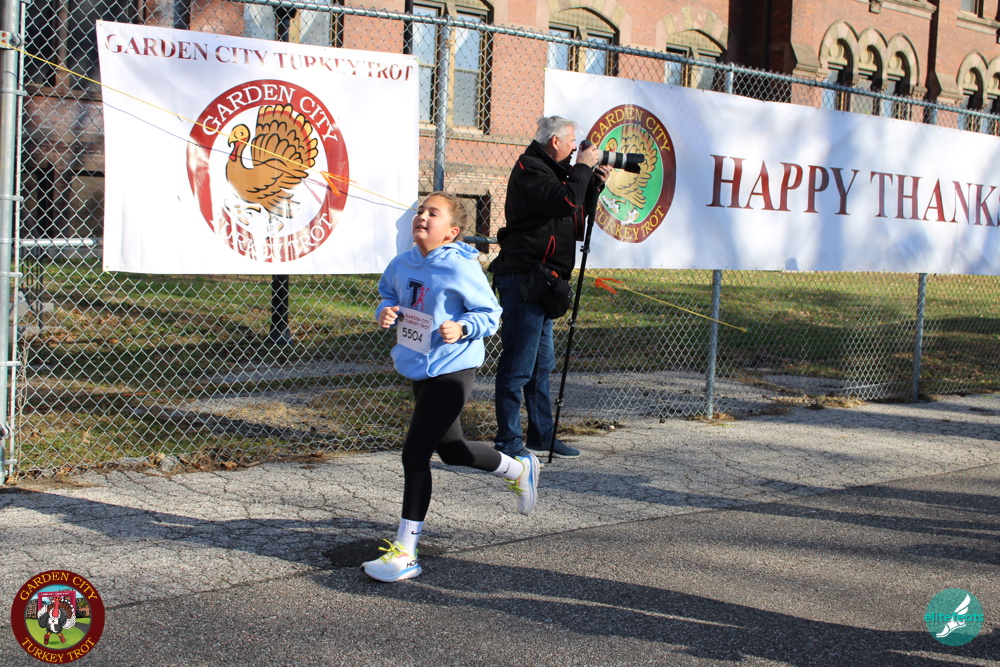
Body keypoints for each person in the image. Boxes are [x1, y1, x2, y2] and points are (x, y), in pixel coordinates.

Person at [362, 192, 541, 583]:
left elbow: (491, 314)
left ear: (452, 232)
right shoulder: (401, 263)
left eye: (433, 213)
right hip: (419, 367)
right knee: (453, 451)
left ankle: (405, 553)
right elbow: (388, 294)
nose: (422, 217)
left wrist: (462, 327)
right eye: (420, 211)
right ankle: (518, 468)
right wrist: (385, 311)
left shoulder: (460, 267)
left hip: (453, 368)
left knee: (415, 455)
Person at [492, 116, 611, 460]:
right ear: (555, 141)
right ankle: (508, 442)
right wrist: (582, 170)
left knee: (541, 365)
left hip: (546, 282)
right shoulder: (531, 168)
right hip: (524, 279)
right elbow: (565, 202)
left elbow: (574, 215)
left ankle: (541, 436)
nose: (577, 148)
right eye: (572, 141)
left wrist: (592, 184)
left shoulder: (556, 173)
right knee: (518, 366)